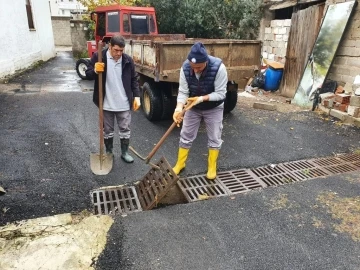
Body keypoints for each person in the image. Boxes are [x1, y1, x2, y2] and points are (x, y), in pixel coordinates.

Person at [172, 42, 228, 180]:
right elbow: (183, 92)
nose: (195, 70)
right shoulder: (185, 68)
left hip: (214, 107)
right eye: (193, 67)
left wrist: (202, 99)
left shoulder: (219, 68)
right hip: (193, 107)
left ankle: (212, 166)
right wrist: (178, 108)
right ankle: (180, 163)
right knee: (186, 134)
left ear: (206, 62)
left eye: (199, 67)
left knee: (215, 137)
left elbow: (221, 94)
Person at [86, 35, 141, 163]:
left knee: (125, 129)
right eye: (116, 50)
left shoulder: (127, 60)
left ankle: (124, 152)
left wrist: (137, 96)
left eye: (121, 51)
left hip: (123, 103)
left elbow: (134, 79)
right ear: (110, 46)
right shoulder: (99, 57)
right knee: (108, 131)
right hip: (106, 103)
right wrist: (94, 70)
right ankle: (109, 152)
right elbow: (87, 73)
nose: (118, 53)